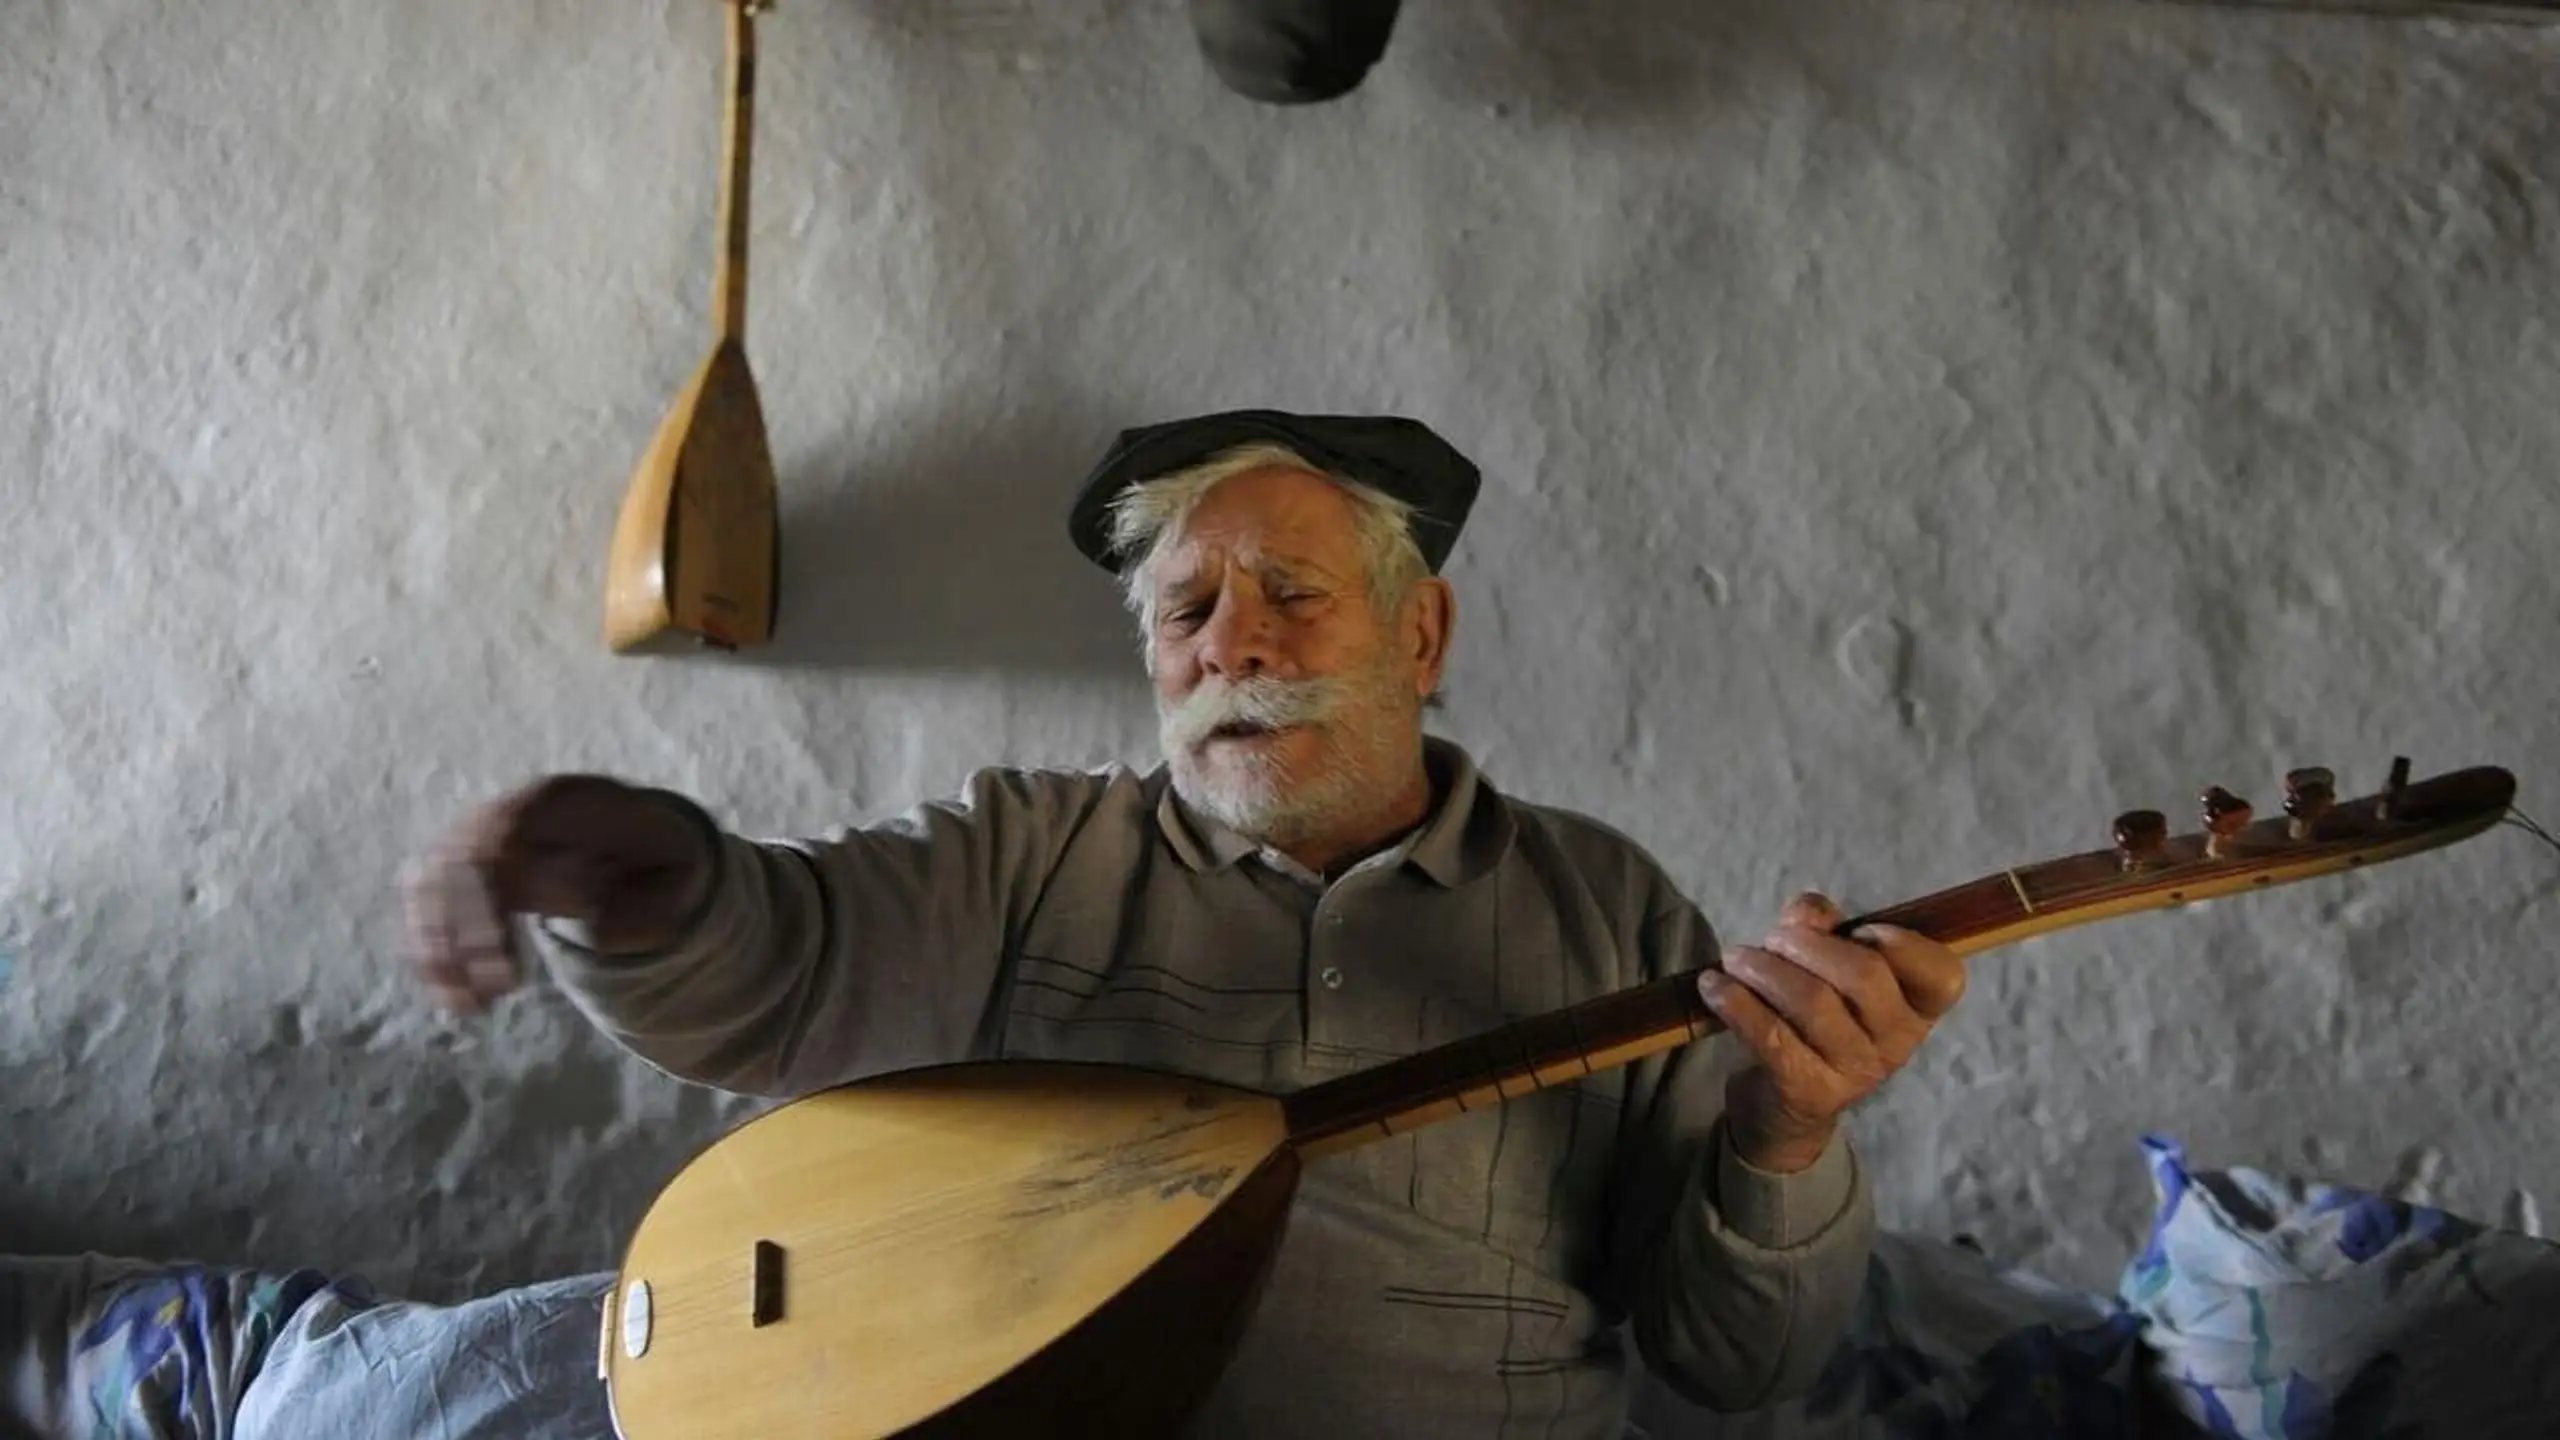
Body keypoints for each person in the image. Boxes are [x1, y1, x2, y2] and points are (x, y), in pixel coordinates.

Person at [400, 408, 1968, 1437]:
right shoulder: (1031, 854)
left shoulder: (1606, 905)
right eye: (1186, 610)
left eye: (1294, 592)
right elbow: (766, 964)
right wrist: (611, 853)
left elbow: (1735, 1361)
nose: (1234, 646)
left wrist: (1784, 1131)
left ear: (1420, 634)